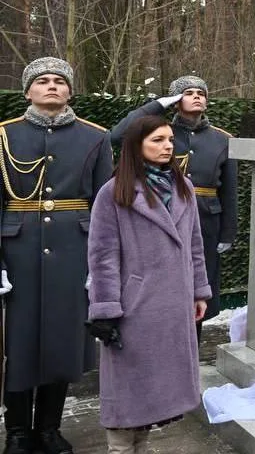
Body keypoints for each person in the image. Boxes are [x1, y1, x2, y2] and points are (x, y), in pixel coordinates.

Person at [1, 58, 114, 454]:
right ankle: (16, 432)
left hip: (74, 251)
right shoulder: (3, 136)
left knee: (62, 340)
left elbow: (106, 207)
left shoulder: (95, 138)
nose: (51, 86)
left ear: (70, 91)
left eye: (60, 81)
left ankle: (49, 428)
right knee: (16, 342)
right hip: (16, 252)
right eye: (42, 81)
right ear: (28, 91)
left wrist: (101, 265)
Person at [87, 116, 211, 454]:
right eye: (157, 140)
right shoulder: (114, 192)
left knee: (155, 399)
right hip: (133, 308)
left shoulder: (182, 186)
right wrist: (106, 310)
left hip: (174, 307)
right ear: (136, 145)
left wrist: (199, 290)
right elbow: (103, 257)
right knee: (126, 399)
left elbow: (195, 245)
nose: (167, 146)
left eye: (170, 139)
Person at [110, 75, 236, 340]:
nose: (197, 96)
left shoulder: (223, 139)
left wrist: (227, 233)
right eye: (188, 93)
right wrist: (157, 106)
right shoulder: (160, 132)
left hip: (206, 222)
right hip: (162, 215)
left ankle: (192, 351)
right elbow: (117, 135)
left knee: (198, 293)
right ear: (176, 101)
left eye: (201, 92)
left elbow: (229, 190)